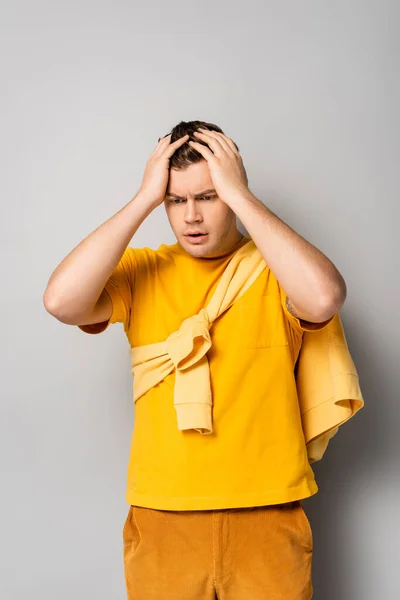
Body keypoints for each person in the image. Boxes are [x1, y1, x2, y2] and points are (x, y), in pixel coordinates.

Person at [43, 120, 347, 599]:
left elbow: (325, 297)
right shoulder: (142, 270)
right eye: (176, 200)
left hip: (267, 511)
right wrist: (144, 197)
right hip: (163, 514)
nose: (191, 217)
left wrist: (241, 194)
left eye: (208, 197)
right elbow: (61, 301)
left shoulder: (275, 271)